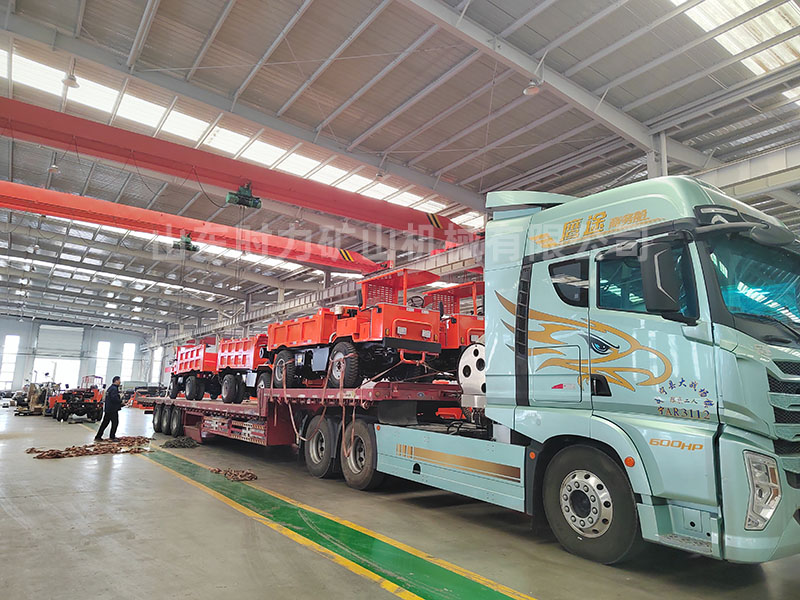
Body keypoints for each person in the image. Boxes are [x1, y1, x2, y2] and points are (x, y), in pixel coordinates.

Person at [95, 376, 122, 442]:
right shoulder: (114, 389)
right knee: (115, 423)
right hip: (112, 409)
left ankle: (98, 436)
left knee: (105, 423)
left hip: (108, 408)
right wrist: (120, 401)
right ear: (116, 381)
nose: (120, 382)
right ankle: (112, 437)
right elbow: (114, 398)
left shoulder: (110, 388)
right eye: (119, 380)